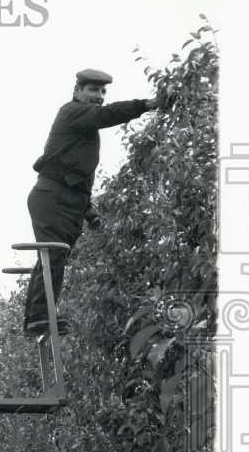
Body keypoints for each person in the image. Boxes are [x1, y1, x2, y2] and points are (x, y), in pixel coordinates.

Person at [23, 68, 169, 335]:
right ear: (77, 91)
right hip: (51, 197)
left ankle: (39, 317)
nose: (99, 96)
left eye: (103, 92)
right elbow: (107, 114)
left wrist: (90, 213)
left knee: (55, 256)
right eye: (93, 90)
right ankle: (40, 317)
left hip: (69, 201)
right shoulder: (71, 112)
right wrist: (147, 105)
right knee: (52, 254)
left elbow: (80, 174)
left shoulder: (87, 133)